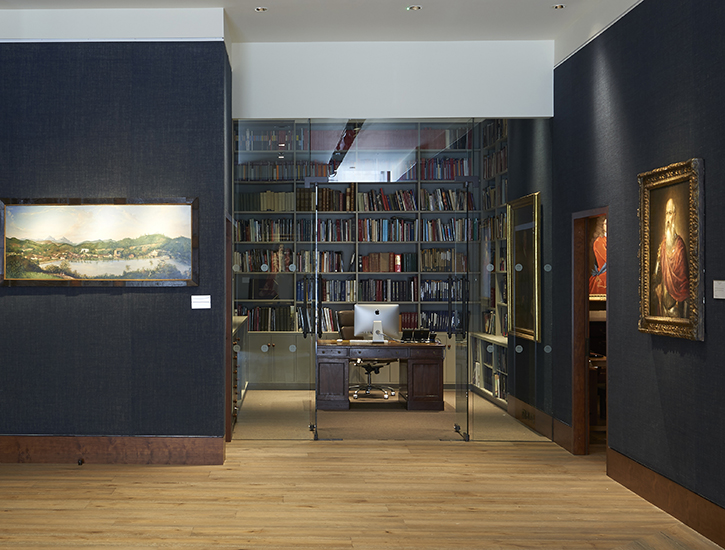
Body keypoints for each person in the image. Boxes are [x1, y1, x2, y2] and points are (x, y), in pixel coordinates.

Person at [652, 198, 688, 317]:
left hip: (675, 308)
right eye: (667, 213)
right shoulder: (662, 247)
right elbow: (656, 275)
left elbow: (683, 282)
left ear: (675, 215)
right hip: (662, 306)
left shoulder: (680, 246)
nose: (668, 217)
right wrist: (657, 287)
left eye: (671, 213)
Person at [589, 217, 607, 295]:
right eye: (606, 224)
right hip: (604, 276)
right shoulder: (599, 241)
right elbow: (608, 259)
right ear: (602, 226)